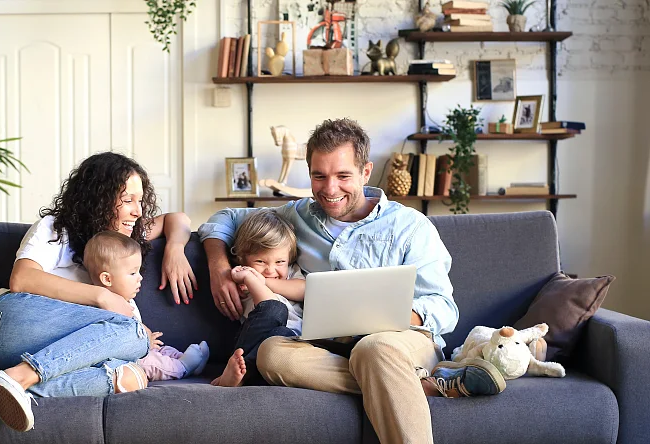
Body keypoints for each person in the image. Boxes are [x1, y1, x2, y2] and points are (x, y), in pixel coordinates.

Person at [199, 118, 505, 444]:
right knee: (272, 354)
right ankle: (418, 382)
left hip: (400, 342)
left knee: (373, 348)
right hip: (325, 349)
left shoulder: (410, 226)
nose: (329, 190)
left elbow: (444, 309)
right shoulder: (296, 215)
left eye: (343, 176)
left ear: (366, 172)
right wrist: (219, 267)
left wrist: (385, 316)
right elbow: (226, 219)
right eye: (319, 176)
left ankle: (399, 370)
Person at [0, 152, 198, 432]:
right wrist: (103, 297)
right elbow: (22, 278)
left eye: (140, 200)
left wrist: (175, 250)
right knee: (134, 332)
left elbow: (176, 219)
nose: (138, 211)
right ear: (99, 199)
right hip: (8, 327)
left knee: (132, 376)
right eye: (127, 200)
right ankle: (19, 377)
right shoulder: (56, 229)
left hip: (40, 357)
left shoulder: (123, 239)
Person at [83, 231, 210, 382]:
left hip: (140, 347)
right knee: (152, 363)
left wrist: (147, 336)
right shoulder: (102, 306)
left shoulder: (125, 299)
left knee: (162, 350)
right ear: (107, 279)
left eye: (138, 271)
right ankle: (183, 367)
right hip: (126, 358)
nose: (140, 277)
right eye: (132, 273)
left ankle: (190, 361)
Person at [209, 210, 305, 387]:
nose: (270, 270)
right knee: (275, 311)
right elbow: (270, 305)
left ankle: (243, 378)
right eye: (261, 262)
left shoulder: (291, 272)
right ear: (242, 258)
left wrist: (263, 280)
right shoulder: (242, 277)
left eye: (280, 262)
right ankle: (236, 377)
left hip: (291, 345)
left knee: (282, 334)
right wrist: (252, 280)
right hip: (257, 345)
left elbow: (304, 289)